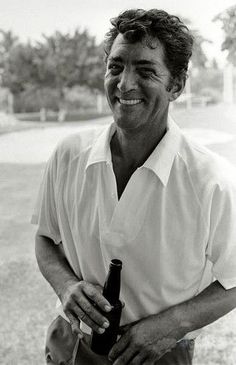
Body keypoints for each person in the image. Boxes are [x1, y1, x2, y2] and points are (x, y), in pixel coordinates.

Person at [32, 8, 236, 365]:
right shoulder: (69, 155)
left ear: (176, 84)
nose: (124, 84)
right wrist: (65, 286)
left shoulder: (212, 180)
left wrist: (173, 324)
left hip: (159, 355)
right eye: (115, 66)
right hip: (71, 344)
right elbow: (46, 239)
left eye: (145, 71)